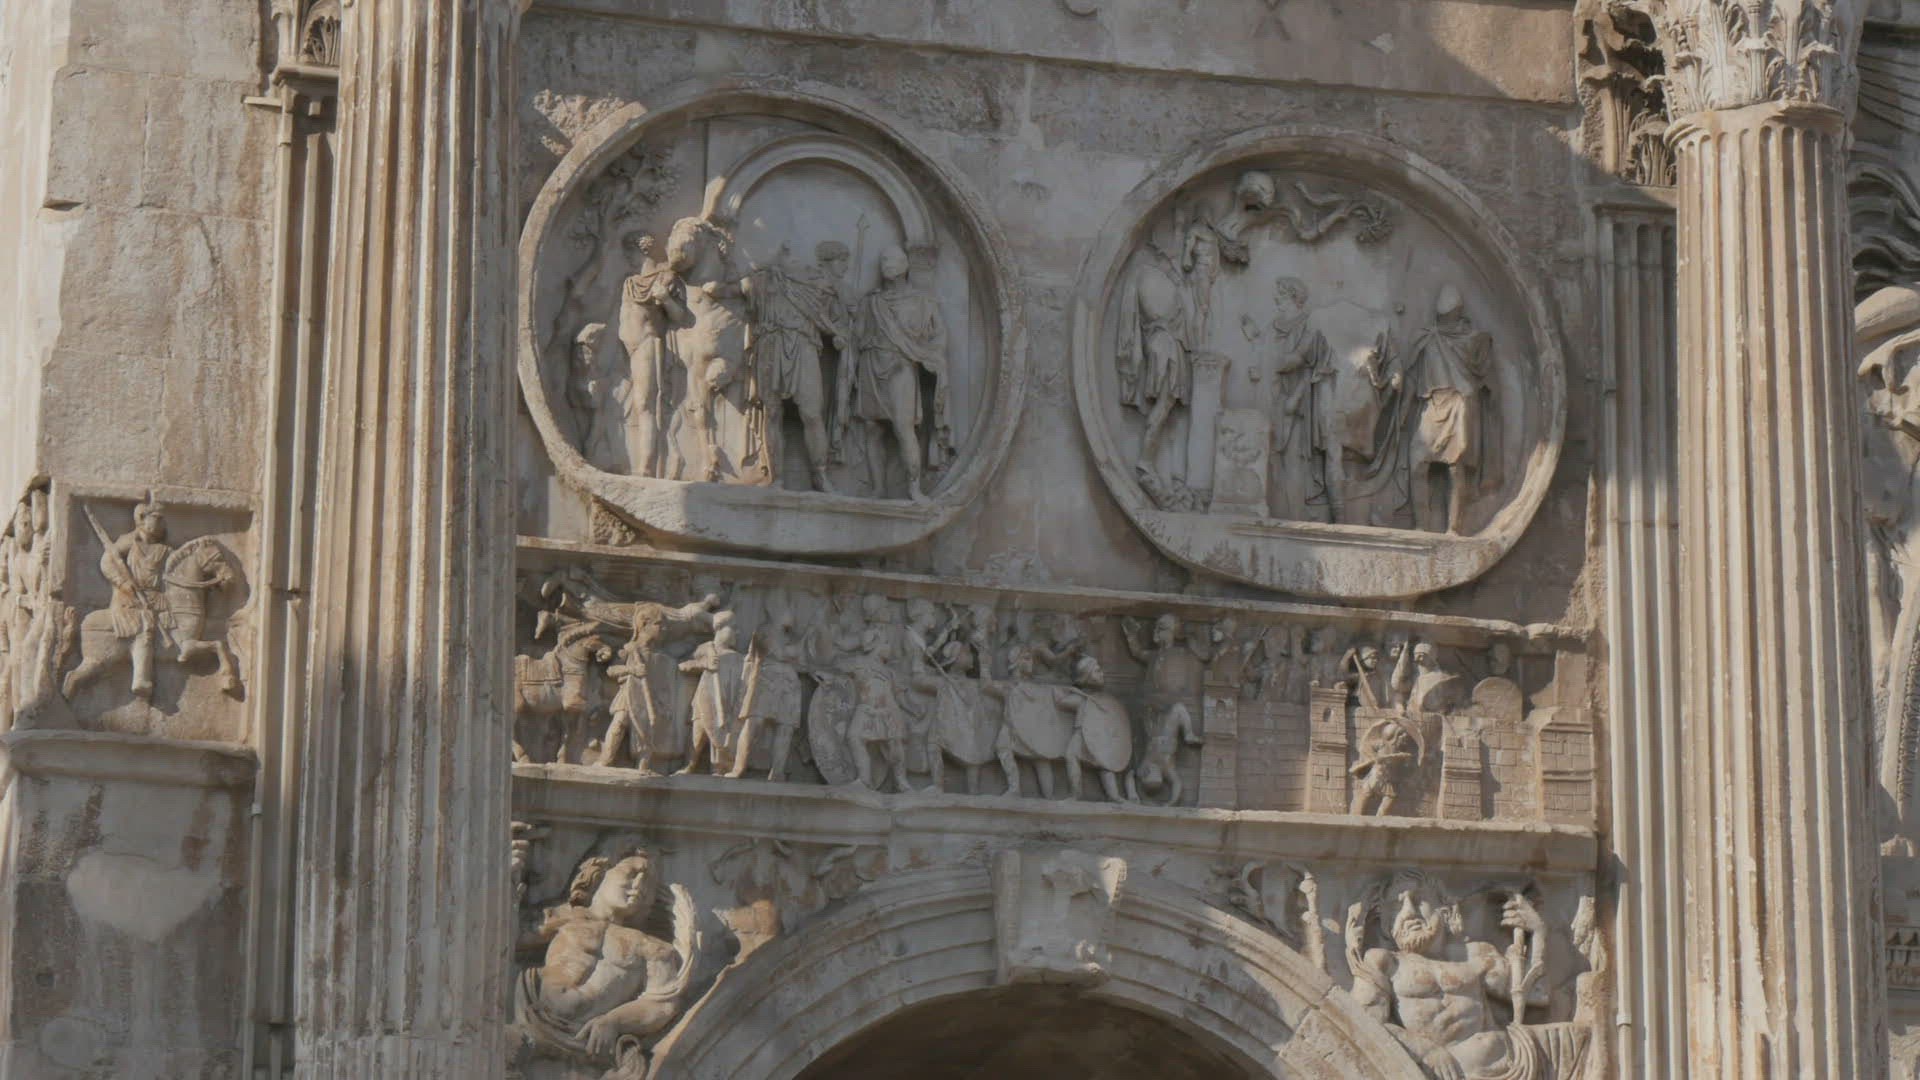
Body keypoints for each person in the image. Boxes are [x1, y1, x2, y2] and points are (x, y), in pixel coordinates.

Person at [518, 850, 696, 1069]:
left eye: (647, 884)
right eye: (631, 874)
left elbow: (663, 1004)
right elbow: (504, 937)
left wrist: (613, 1022)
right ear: (602, 873)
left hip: (585, 1041)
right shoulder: (559, 916)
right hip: (531, 1015)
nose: (639, 886)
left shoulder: (651, 947)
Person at [843, 244, 948, 499]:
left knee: (903, 427)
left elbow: (939, 336)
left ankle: (914, 488)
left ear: (905, 266)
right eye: (883, 261)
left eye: (892, 260)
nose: (887, 265)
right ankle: (878, 488)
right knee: (872, 428)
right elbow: (856, 336)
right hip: (871, 364)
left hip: (900, 366)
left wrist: (928, 356)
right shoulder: (871, 301)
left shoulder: (922, 302)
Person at [1408, 284, 1496, 533]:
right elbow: (1414, 375)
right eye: (1441, 316)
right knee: (1417, 462)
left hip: (1460, 404)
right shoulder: (1428, 337)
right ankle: (1421, 526)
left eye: (1448, 315)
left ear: (1458, 313)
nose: (1444, 319)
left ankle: (1454, 529)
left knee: (1456, 467)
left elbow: (1485, 373)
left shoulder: (1473, 339)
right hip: (1432, 402)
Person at [615, 232, 686, 478]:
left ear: (642, 251)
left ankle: (646, 466)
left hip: (647, 344)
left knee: (646, 404)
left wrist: (665, 298)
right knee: (637, 404)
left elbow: (680, 316)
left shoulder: (665, 279)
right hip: (629, 349)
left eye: (630, 253)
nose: (627, 258)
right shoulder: (630, 282)